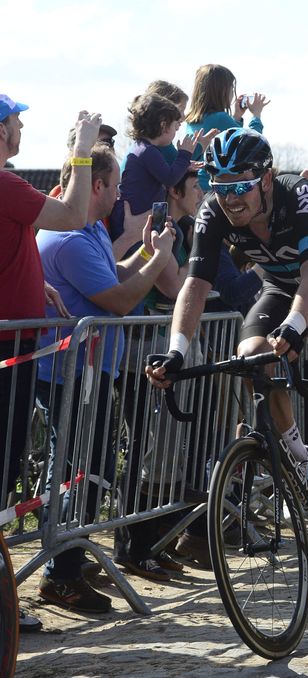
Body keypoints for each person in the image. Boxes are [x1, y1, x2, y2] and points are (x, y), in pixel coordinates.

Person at [145, 128, 308, 590]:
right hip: (280, 288)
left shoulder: (303, 197)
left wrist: (295, 329)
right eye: (220, 185)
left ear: (267, 179)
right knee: (250, 353)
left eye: (240, 186)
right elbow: (194, 287)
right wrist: (178, 349)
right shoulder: (214, 210)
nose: (230, 198)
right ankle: (299, 451)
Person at [36, 144, 177, 609]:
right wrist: (159, 263)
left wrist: (146, 253)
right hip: (66, 376)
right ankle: (61, 571)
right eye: (115, 186)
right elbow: (117, 300)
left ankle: (71, 560)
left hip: (89, 374)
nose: (120, 196)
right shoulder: (69, 237)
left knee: (92, 466)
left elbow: (113, 273)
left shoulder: (89, 226)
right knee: (79, 469)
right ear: (97, 185)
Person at [1, 96, 104, 632]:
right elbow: (73, 214)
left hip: (14, 350)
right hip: (7, 359)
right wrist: (82, 154)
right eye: (15, 121)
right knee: (0, 478)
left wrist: (29, 281)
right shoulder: (5, 183)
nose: (20, 127)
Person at [110, 92, 204, 256]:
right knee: (161, 243)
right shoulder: (147, 152)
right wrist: (184, 154)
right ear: (163, 125)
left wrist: (185, 166)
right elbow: (169, 179)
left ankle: (159, 271)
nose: (176, 132)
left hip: (144, 215)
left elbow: (164, 173)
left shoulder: (144, 148)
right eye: (175, 126)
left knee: (176, 234)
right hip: (134, 219)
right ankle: (156, 274)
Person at [184, 64, 268, 191]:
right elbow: (253, 144)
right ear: (222, 90)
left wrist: (237, 117)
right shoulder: (220, 118)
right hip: (213, 188)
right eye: (231, 88)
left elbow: (230, 140)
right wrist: (256, 115)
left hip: (194, 187)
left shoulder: (192, 120)